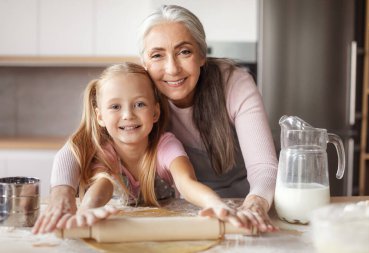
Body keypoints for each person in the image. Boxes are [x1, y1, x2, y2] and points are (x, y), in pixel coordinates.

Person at [33, 5, 279, 234]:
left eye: (184, 52)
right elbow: (77, 147)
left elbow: (264, 167)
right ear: (145, 63)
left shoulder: (233, 83)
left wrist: (255, 204)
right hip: (190, 212)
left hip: (243, 208)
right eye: (158, 55)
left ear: (202, 56)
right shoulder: (141, 93)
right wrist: (62, 194)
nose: (172, 69)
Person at [33, 62, 255, 233]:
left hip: (166, 228)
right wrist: (85, 211)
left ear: (155, 112)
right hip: (121, 229)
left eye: (139, 104)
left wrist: (215, 203)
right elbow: (103, 186)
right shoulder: (104, 150)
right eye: (115, 106)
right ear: (100, 117)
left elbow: (186, 182)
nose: (128, 115)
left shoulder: (165, 145)